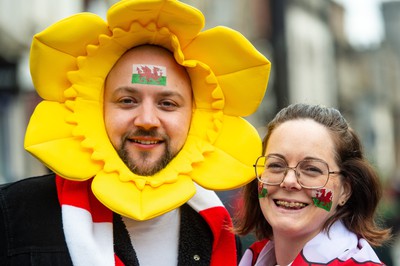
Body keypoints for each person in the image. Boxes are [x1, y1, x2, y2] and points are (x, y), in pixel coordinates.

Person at [0, 0, 271, 265]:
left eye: (167, 103)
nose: (147, 120)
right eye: (127, 100)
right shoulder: (11, 216)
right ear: (96, 109)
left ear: (195, 116)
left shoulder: (229, 239)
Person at [234, 103, 391, 266]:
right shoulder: (247, 258)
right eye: (276, 165)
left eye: (311, 169)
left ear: (345, 190)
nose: (289, 181)